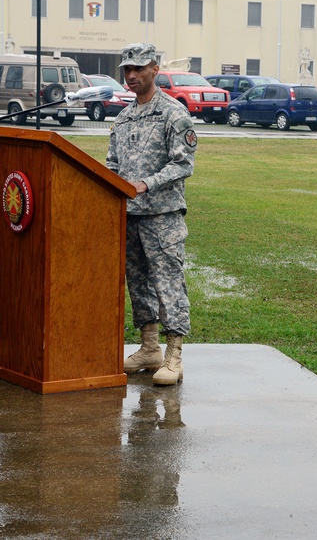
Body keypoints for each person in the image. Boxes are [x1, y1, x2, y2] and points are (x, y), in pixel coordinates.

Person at [106, 43, 197, 386]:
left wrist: (147, 183)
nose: (131, 76)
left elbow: (184, 163)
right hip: (128, 215)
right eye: (127, 70)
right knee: (139, 283)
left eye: (138, 69)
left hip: (162, 215)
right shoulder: (124, 117)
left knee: (168, 284)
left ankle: (174, 356)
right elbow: (112, 164)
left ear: (154, 69)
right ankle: (149, 348)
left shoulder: (173, 113)